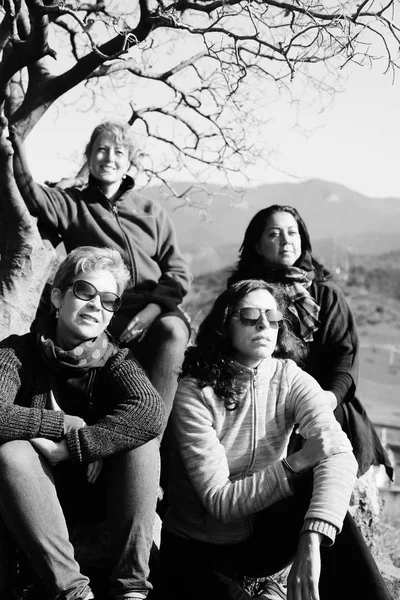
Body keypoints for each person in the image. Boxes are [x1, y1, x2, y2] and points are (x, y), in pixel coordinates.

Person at [160, 280, 392, 600]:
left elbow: (339, 453)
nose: (263, 323)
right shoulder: (195, 392)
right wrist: (295, 462)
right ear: (225, 324)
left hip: (262, 540)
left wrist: (312, 538)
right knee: (306, 468)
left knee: (318, 483)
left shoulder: (288, 376)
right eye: (249, 315)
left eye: (271, 316)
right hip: (200, 548)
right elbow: (220, 502)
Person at [0, 246, 167, 600]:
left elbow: (151, 411)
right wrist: (62, 423)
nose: (96, 305)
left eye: (109, 300)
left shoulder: (115, 360)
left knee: (143, 442)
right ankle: (75, 594)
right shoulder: (16, 353)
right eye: (85, 292)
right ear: (58, 297)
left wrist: (77, 444)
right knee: (12, 453)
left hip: (99, 495)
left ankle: (131, 590)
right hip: (33, 494)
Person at [11, 121, 192, 417]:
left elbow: (178, 271)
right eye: (102, 150)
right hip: (104, 307)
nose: (109, 158)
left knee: (173, 331)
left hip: (154, 308)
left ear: (129, 161)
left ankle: (152, 431)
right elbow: (30, 191)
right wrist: (15, 141)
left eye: (119, 151)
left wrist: (154, 309)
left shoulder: (151, 211)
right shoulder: (72, 204)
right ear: (89, 156)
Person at [227, 204, 392, 479]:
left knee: (322, 463)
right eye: (274, 234)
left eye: (292, 233)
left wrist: (327, 398)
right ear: (257, 245)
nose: (286, 241)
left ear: (302, 240)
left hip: (324, 402)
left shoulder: (326, 296)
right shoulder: (245, 298)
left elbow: (344, 358)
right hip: (262, 400)